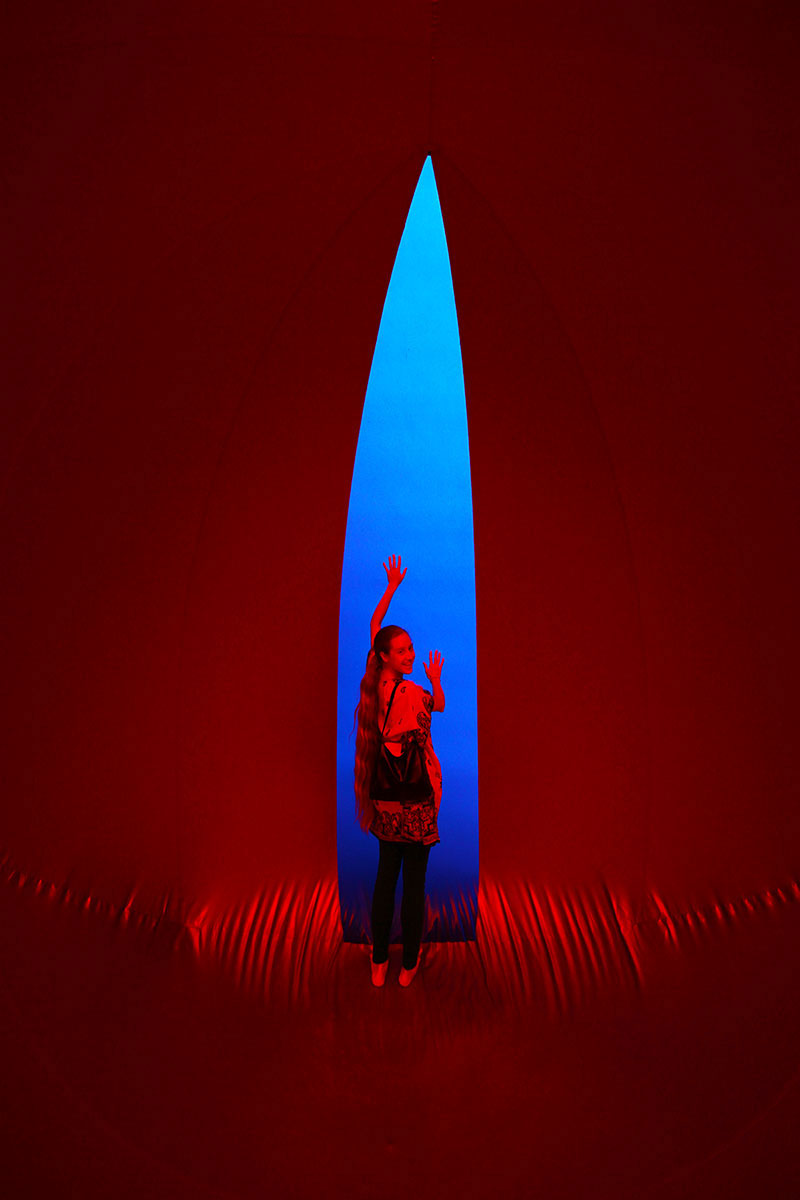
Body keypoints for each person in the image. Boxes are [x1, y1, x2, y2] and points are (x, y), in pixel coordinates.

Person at [353, 554, 445, 988]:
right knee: (413, 884)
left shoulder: (377, 687)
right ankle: (408, 962)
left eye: (411, 648)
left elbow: (375, 628)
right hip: (417, 803)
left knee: (385, 879)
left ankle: (379, 961)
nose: (410, 654)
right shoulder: (410, 692)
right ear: (387, 655)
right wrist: (436, 683)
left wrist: (390, 589)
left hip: (384, 800)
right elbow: (437, 709)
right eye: (404, 650)